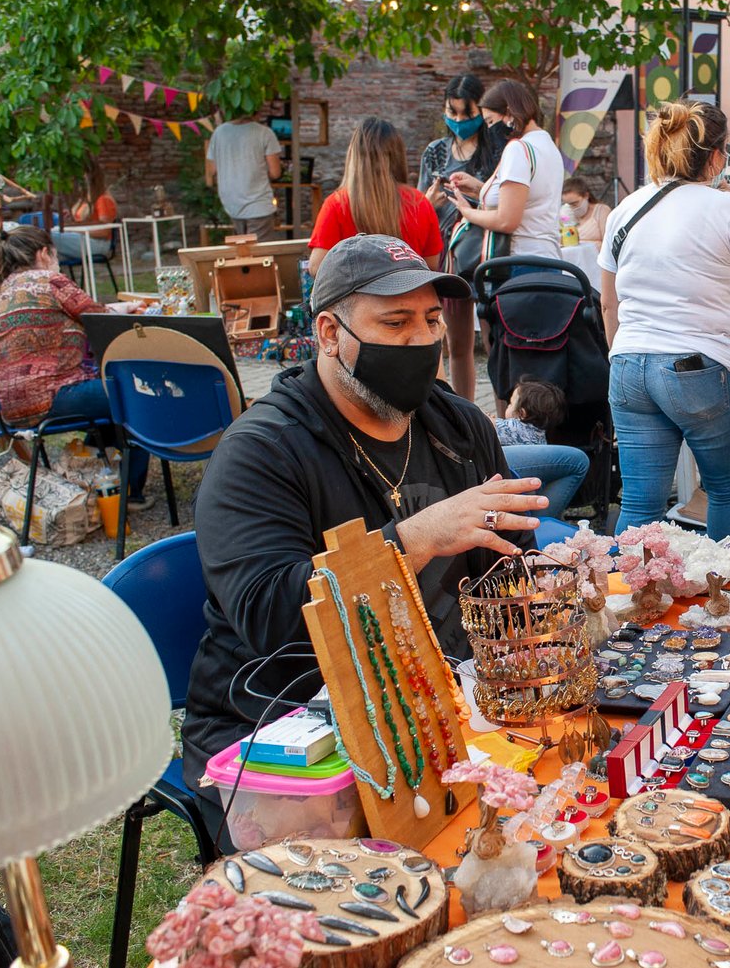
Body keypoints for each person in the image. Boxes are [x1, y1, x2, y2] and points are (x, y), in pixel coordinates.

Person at [182, 233, 548, 842]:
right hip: (289, 733)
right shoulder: (261, 452)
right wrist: (411, 540)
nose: (422, 341)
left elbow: (509, 570)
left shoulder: (456, 423)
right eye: (395, 322)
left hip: (437, 705)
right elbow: (270, 616)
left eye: (433, 320)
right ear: (329, 334)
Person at [598, 101, 730, 542]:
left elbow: (608, 303)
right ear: (717, 157)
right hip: (699, 367)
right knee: (726, 492)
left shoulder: (626, 208)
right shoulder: (725, 208)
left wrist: (622, 358)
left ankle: (626, 602)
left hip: (628, 364)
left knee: (640, 502)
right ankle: (727, 602)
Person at [0, 224, 151, 505]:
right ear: (44, 253)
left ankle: (101, 474)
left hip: (8, 407)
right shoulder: (50, 281)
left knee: (104, 396)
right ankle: (131, 492)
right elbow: (102, 321)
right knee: (132, 392)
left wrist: (114, 309)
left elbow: (91, 313)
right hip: (52, 396)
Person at [418, 74, 502, 402]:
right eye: (451, 113)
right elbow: (420, 204)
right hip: (446, 252)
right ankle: (466, 413)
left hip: (486, 249)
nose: (458, 121)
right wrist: (429, 203)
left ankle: (503, 411)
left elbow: (502, 199)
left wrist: (476, 194)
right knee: (457, 344)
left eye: (466, 115)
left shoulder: (496, 148)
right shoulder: (436, 152)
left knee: (496, 340)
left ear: (480, 111)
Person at [307, 117, 442, 274]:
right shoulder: (419, 202)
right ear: (397, 155)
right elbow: (431, 266)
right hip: (410, 296)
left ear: (354, 155)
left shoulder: (337, 204)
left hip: (359, 297)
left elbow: (316, 267)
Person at [447, 79, 564, 260]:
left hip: (520, 257)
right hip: (548, 255)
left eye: (491, 121)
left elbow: (506, 220)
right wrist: (481, 189)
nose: (490, 129)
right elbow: (527, 199)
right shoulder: (547, 145)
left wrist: (467, 212)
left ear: (508, 113)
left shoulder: (517, 149)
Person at [494, 376, 590, 522]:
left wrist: (488, 419)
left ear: (522, 413)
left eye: (510, 404)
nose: (507, 407)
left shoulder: (514, 428)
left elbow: (489, 426)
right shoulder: (540, 435)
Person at [205, 110, 283, 239]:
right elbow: (275, 172)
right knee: (260, 255)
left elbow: (212, 170)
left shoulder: (219, 133)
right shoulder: (264, 132)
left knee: (242, 253)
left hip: (231, 205)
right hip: (258, 204)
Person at [561, 176, 611, 245]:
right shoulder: (566, 213)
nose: (572, 207)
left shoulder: (601, 211)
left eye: (575, 203)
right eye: (569, 204)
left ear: (586, 196)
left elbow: (608, 242)